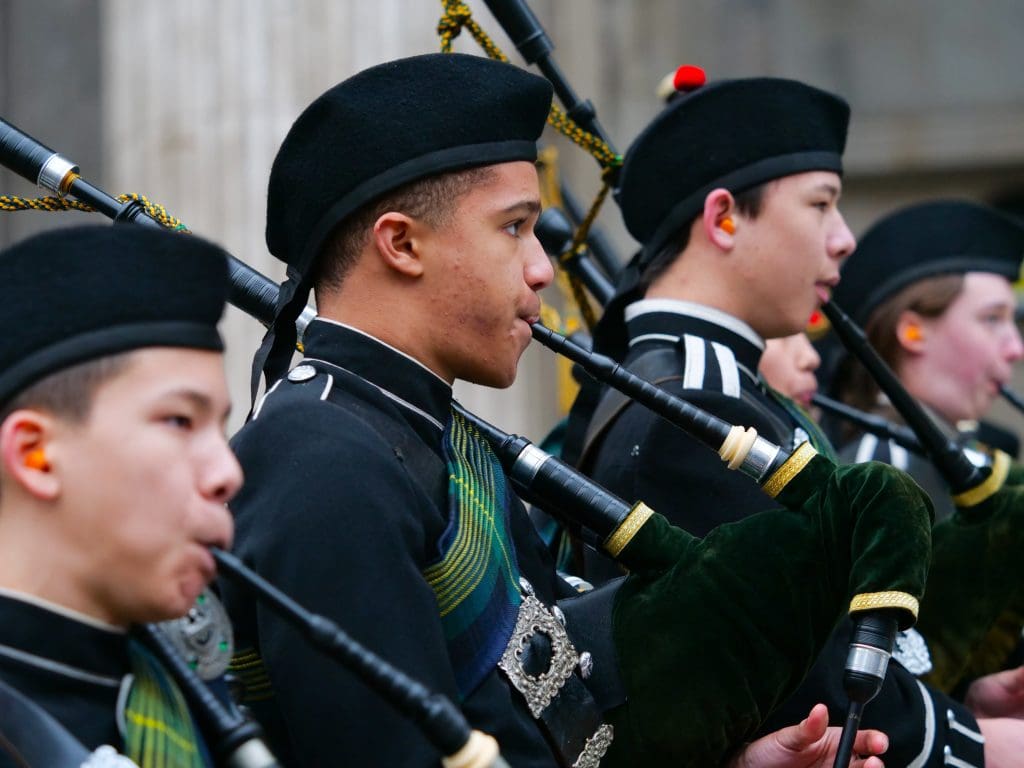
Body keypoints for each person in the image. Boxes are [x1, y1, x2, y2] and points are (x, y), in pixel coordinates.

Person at [222, 53, 897, 768]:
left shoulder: (432, 434)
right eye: (514, 228)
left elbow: (546, 728)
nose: (542, 267)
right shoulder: (325, 462)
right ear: (401, 243)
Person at [563, 74, 1018, 766]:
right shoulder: (696, 409)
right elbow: (800, 674)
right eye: (821, 205)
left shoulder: (715, 391)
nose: (843, 241)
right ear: (722, 220)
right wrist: (972, 744)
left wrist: (964, 702)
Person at [0, 225, 242, 766]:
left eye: (219, 429)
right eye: (180, 420)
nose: (228, 473)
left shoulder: (175, 681)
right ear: (36, 454)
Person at [829, 199, 1024, 522]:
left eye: (1011, 321)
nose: (1015, 348)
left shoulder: (965, 454)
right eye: (992, 318)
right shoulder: (882, 475)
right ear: (913, 332)